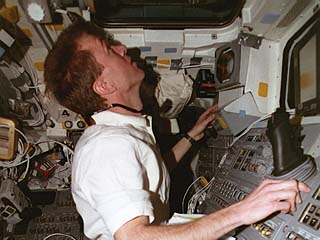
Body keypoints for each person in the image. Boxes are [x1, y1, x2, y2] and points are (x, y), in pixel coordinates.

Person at [44, 20, 310, 240]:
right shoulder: (107, 146)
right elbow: (134, 237)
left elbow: (152, 175)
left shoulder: (122, 134)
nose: (123, 48)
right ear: (103, 87)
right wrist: (243, 211)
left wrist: (191, 136)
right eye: (110, 50)